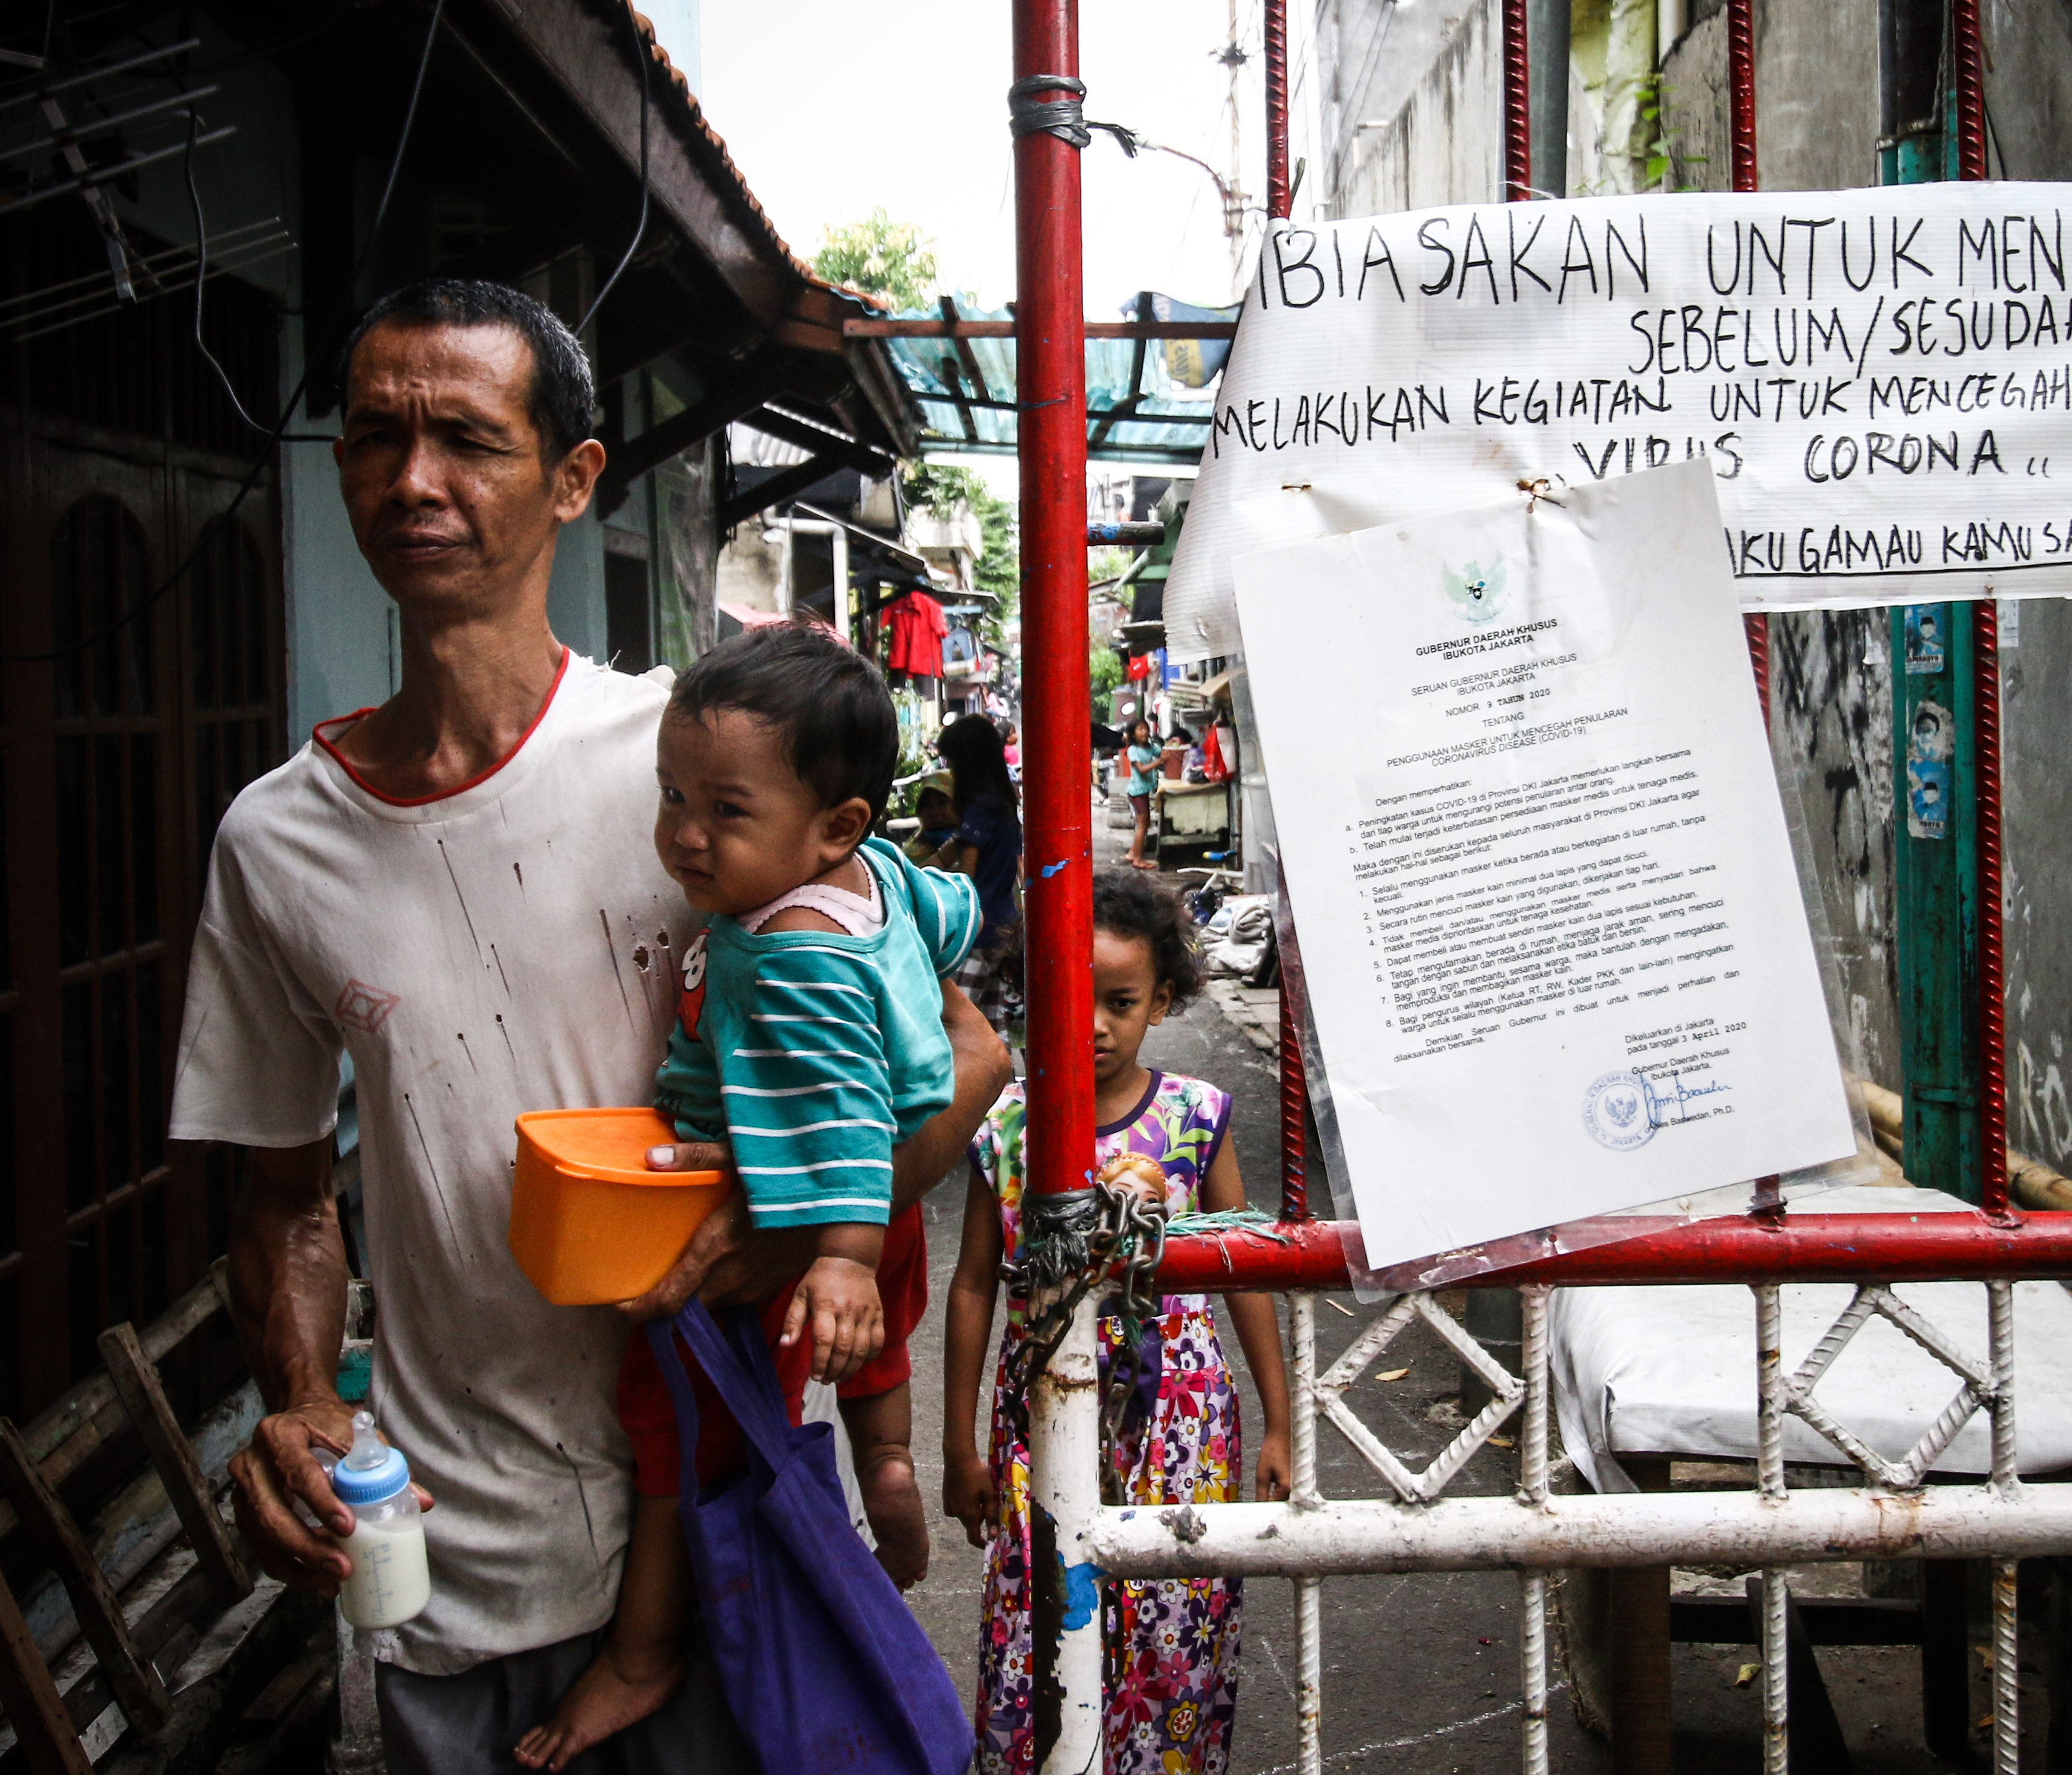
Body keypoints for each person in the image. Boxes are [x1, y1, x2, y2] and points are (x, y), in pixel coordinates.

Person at [170, 278, 1007, 1775]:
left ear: (572, 480)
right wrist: (302, 1399)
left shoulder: (697, 765)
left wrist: (796, 1243)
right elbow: (285, 1199)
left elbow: (965, 1061)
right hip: (449, 1555)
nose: (413, 479)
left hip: (711, 1513)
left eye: (467, 440)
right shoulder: (275, 842)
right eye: (374, 437)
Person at [514, 622, 975, 1768]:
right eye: (674, 795)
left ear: (836, 826)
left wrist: (836, 1257)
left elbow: (830, 1112)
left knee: (670, 1418)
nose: (683, 834)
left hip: (829, 1201)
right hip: (893, 1184)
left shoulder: (791, 957)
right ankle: (887, 1463)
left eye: (726, 810)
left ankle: (643, 1649)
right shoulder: (882, 880)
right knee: (866, 1361)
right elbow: (954, 917)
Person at [942, 866, 1293, 1775]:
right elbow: (975, 1284)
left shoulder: (1193, 1119)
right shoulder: (1008, 1127)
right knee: (1037, 1615)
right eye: (1071, 998)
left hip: (1179, 1423)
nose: (1094, 1024)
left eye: (1122, 1000)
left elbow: (1239, 1270)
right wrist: (956, 1447)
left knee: (1173, 1624)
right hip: (1035, 1418)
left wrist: (1280, 1421)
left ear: (1162, 1000)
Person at [930, 714, 1023, 1027]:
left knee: (952, 1023)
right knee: (994, 1021)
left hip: (977, 932)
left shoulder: (980, 808)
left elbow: (964, 878)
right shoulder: (1003, 803)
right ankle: (1003, 1076)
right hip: (1003, 925)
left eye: (953, 762)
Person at [1119, 718, 1161, 869]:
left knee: (1144, 824)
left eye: (1146, 729)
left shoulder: (1149, 747)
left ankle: (1132, 853)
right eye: (1140, 729)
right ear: (1133, 733)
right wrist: (1159, 761)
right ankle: (1138, 859)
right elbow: (1142, 770)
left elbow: (1162, 752)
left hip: (1143, 792)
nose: (1145, 732)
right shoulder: (1132, 750)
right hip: (1136, 793)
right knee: (1143, 826)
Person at [903, 772, 960, 864]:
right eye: (927, 805)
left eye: (942, 803)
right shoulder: (908, 858)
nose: (934, 812)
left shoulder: (974, 841)